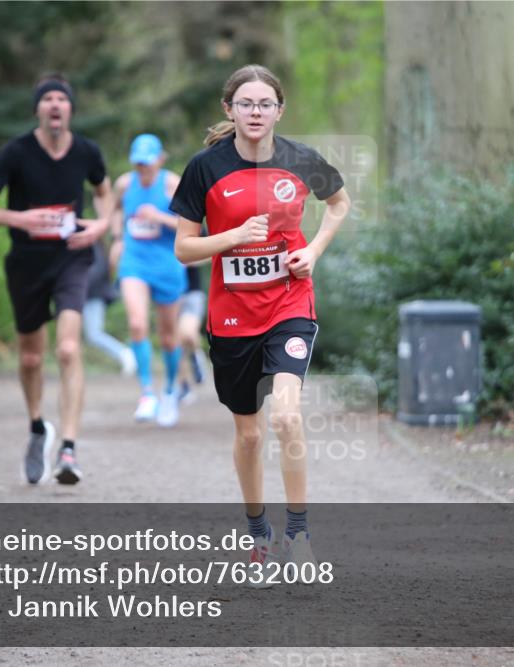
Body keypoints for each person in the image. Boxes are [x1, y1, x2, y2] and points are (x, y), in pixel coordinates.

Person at [171, 65, 351, 581]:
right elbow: (183, 248)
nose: (256, 112)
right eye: (246, 104)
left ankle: (298, 532)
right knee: (249, 435)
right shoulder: (205, 167)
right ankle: (257, 531)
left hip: (289, 303)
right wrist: (229, 238)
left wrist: (313, 250)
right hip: (231, 315)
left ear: (279, 110)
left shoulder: (300, 159)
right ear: (230, 110)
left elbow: (338, 203)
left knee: (287, 417)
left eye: (265, 104)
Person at [0, 74, 112, 485]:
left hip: (72, 258)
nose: (54, 105)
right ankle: (37, 428)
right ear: (38, 109)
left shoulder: (87, 151)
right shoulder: (15, 153)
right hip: (27, 262)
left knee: (68, 349)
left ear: (69, 109)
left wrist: (102, 225)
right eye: (46, 99)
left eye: (61, 99)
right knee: (31, 357)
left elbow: (103, 192)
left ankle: (68, 449)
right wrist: (20, 219)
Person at [110, 134, 186, 428]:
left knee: (168, 336)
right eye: (138, 164)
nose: (143, 169)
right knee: (137, 324)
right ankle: (146, 393)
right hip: (135, 262)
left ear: (160, 160)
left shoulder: (171, 184)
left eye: (148, 163)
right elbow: (115, 210)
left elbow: (195, 224)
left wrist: (160, 216)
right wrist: (117, 237)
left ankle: (169, 391)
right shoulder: (124, 184)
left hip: (167, 265)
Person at [83, 241, 137, 377]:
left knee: (94, 334)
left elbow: (99, 270)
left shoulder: (92, 244)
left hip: (91, 294)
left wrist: (78, 285)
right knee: (88, 335)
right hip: (82, 294)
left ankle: (124, 353)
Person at [175, 263, 208, 405]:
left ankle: (195, 355)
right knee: (177, 342)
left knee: (188, 334)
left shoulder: (194, 239)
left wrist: (188, 257)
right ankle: (184, 386)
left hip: (192, 293)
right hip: (170, 294)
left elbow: (211, 254)